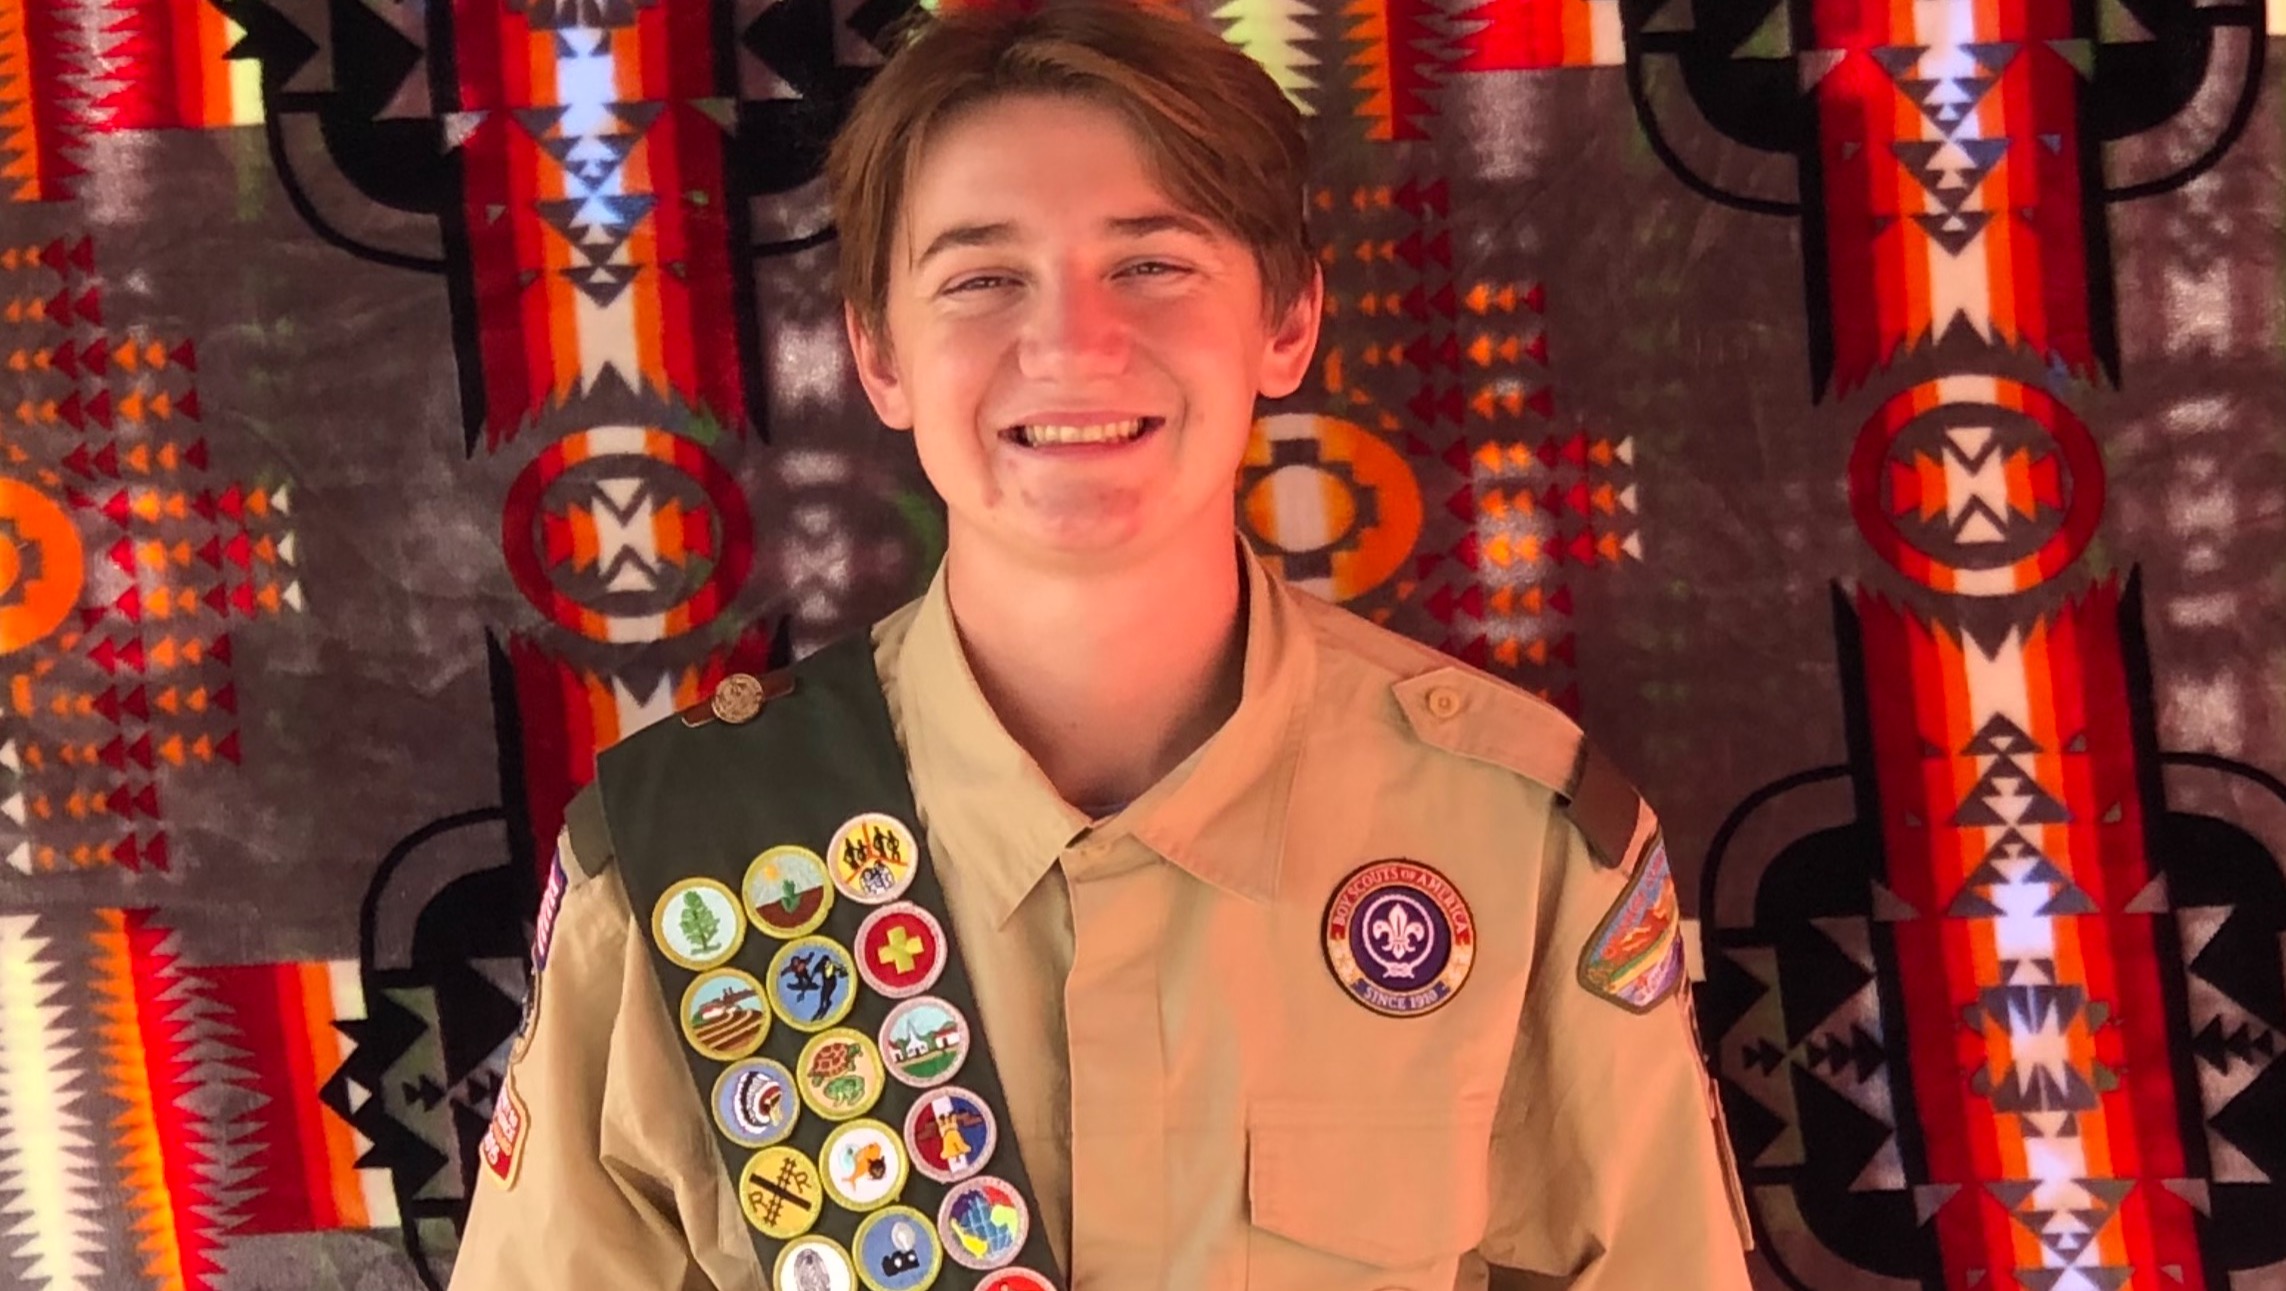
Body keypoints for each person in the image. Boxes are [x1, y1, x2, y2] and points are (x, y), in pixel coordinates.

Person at [449, 0, 1754, 1287]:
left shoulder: (1514, 836)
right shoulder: (693, 855)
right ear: (879, 355)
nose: (1072, 344)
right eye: (982, 278)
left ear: (1287, 320)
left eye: (1151, 265)